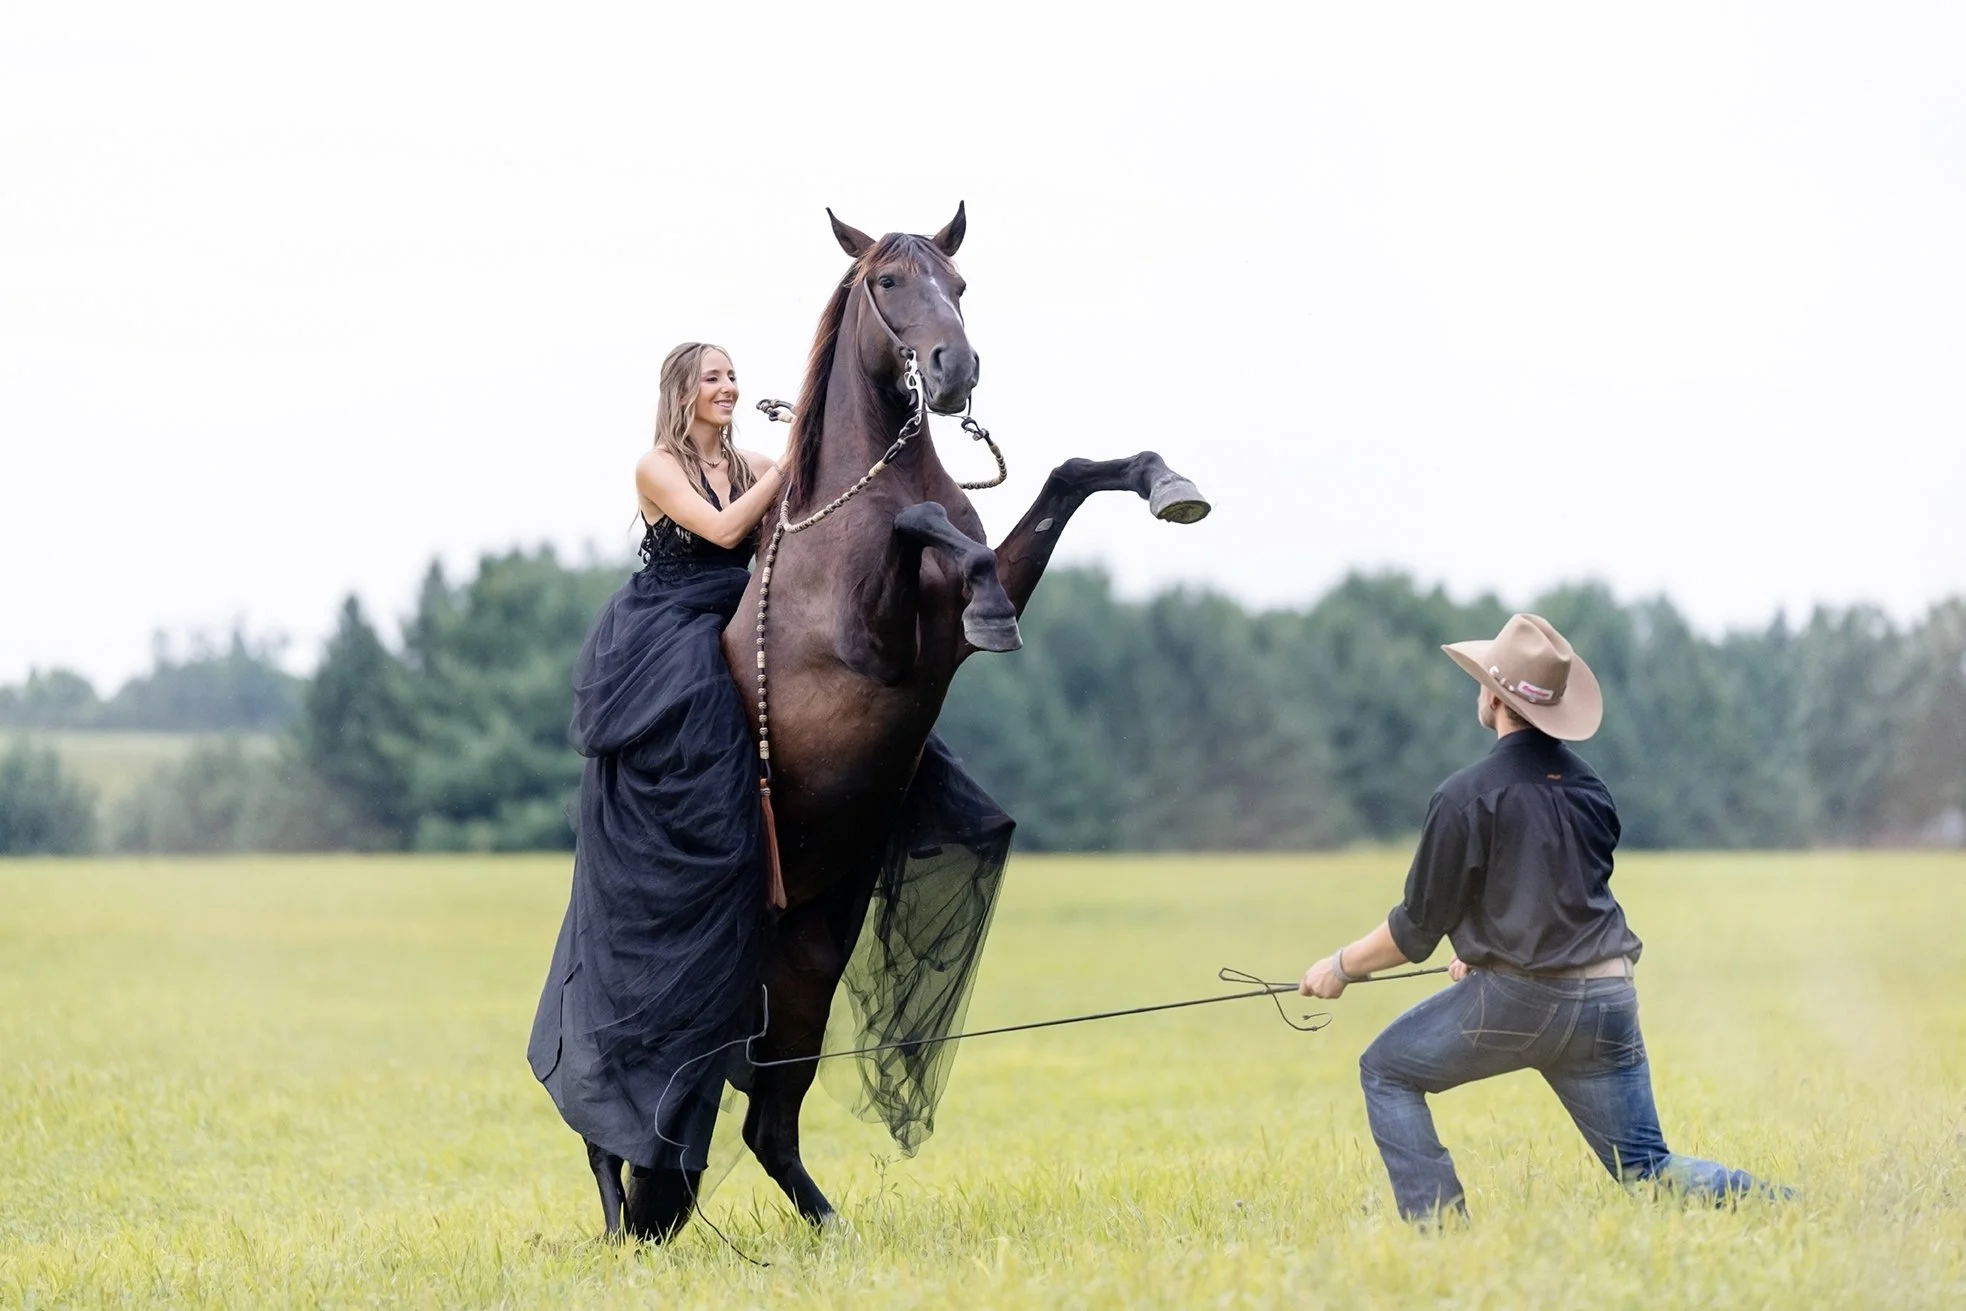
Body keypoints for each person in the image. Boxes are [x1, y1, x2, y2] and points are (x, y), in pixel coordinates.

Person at [1299, 613, 1784, 1223]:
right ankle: (1786, 1207)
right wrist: (1482, 949)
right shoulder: (1593, 791)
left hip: (1525, 1002)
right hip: (1609, 998)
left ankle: (1442, 1242)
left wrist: (1340, 967)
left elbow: (1415, 930)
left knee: (1386, 1072)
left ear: (1494, 697)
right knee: (1647, 1170)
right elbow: (1552, 895)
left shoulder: (1464, 795)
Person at [527, 342, 785, 1200]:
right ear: (683, 390)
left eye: (733, 377)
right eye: (713, 377)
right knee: (706, 726)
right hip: (668, 630)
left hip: (735, 611)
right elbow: (722, 531)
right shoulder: (657, 465)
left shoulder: (749, 458)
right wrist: (784, 474)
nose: (729, 388)